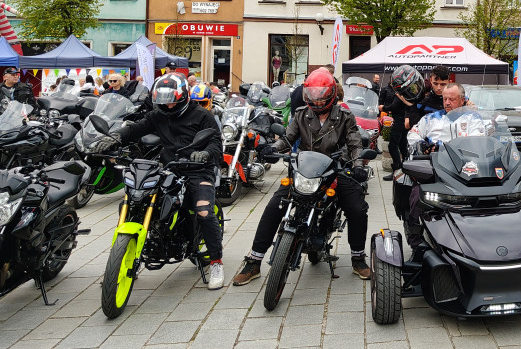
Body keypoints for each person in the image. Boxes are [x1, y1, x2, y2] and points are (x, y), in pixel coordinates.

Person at [232, 68, 371, 285]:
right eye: (313, 94)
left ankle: (358, 257)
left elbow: (355, 143)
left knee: (357, 208)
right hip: (305, 170)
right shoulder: (300, 114)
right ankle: (254, 261)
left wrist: (359, 164)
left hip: (335, 169)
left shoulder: (344, 117)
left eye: (321, 94)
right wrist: (273, 148)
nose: (316, 100)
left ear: (332, 93)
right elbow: (287, 138)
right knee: (274, 207)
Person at [97, 73, 226, 289]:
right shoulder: (158, 114)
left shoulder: (203, 115)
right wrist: (116, 137)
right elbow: (137, 128)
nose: (167, 106)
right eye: (163, 102)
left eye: (172, 101)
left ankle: (216, 263)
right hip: (167, 167)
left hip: (198, 169)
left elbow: (215, 144)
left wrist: (204, 154)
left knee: (204, 211)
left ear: (183, 96)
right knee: (132, 203)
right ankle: (123, 262)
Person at [383, 66, 422, 181]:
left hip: (400, 120)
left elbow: (395, 106)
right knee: (402, 146)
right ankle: (404, 169)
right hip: (403, 120)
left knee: (393, 146)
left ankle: (398, 169)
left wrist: (384, 108)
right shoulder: (406, 91)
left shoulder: (401, 92)